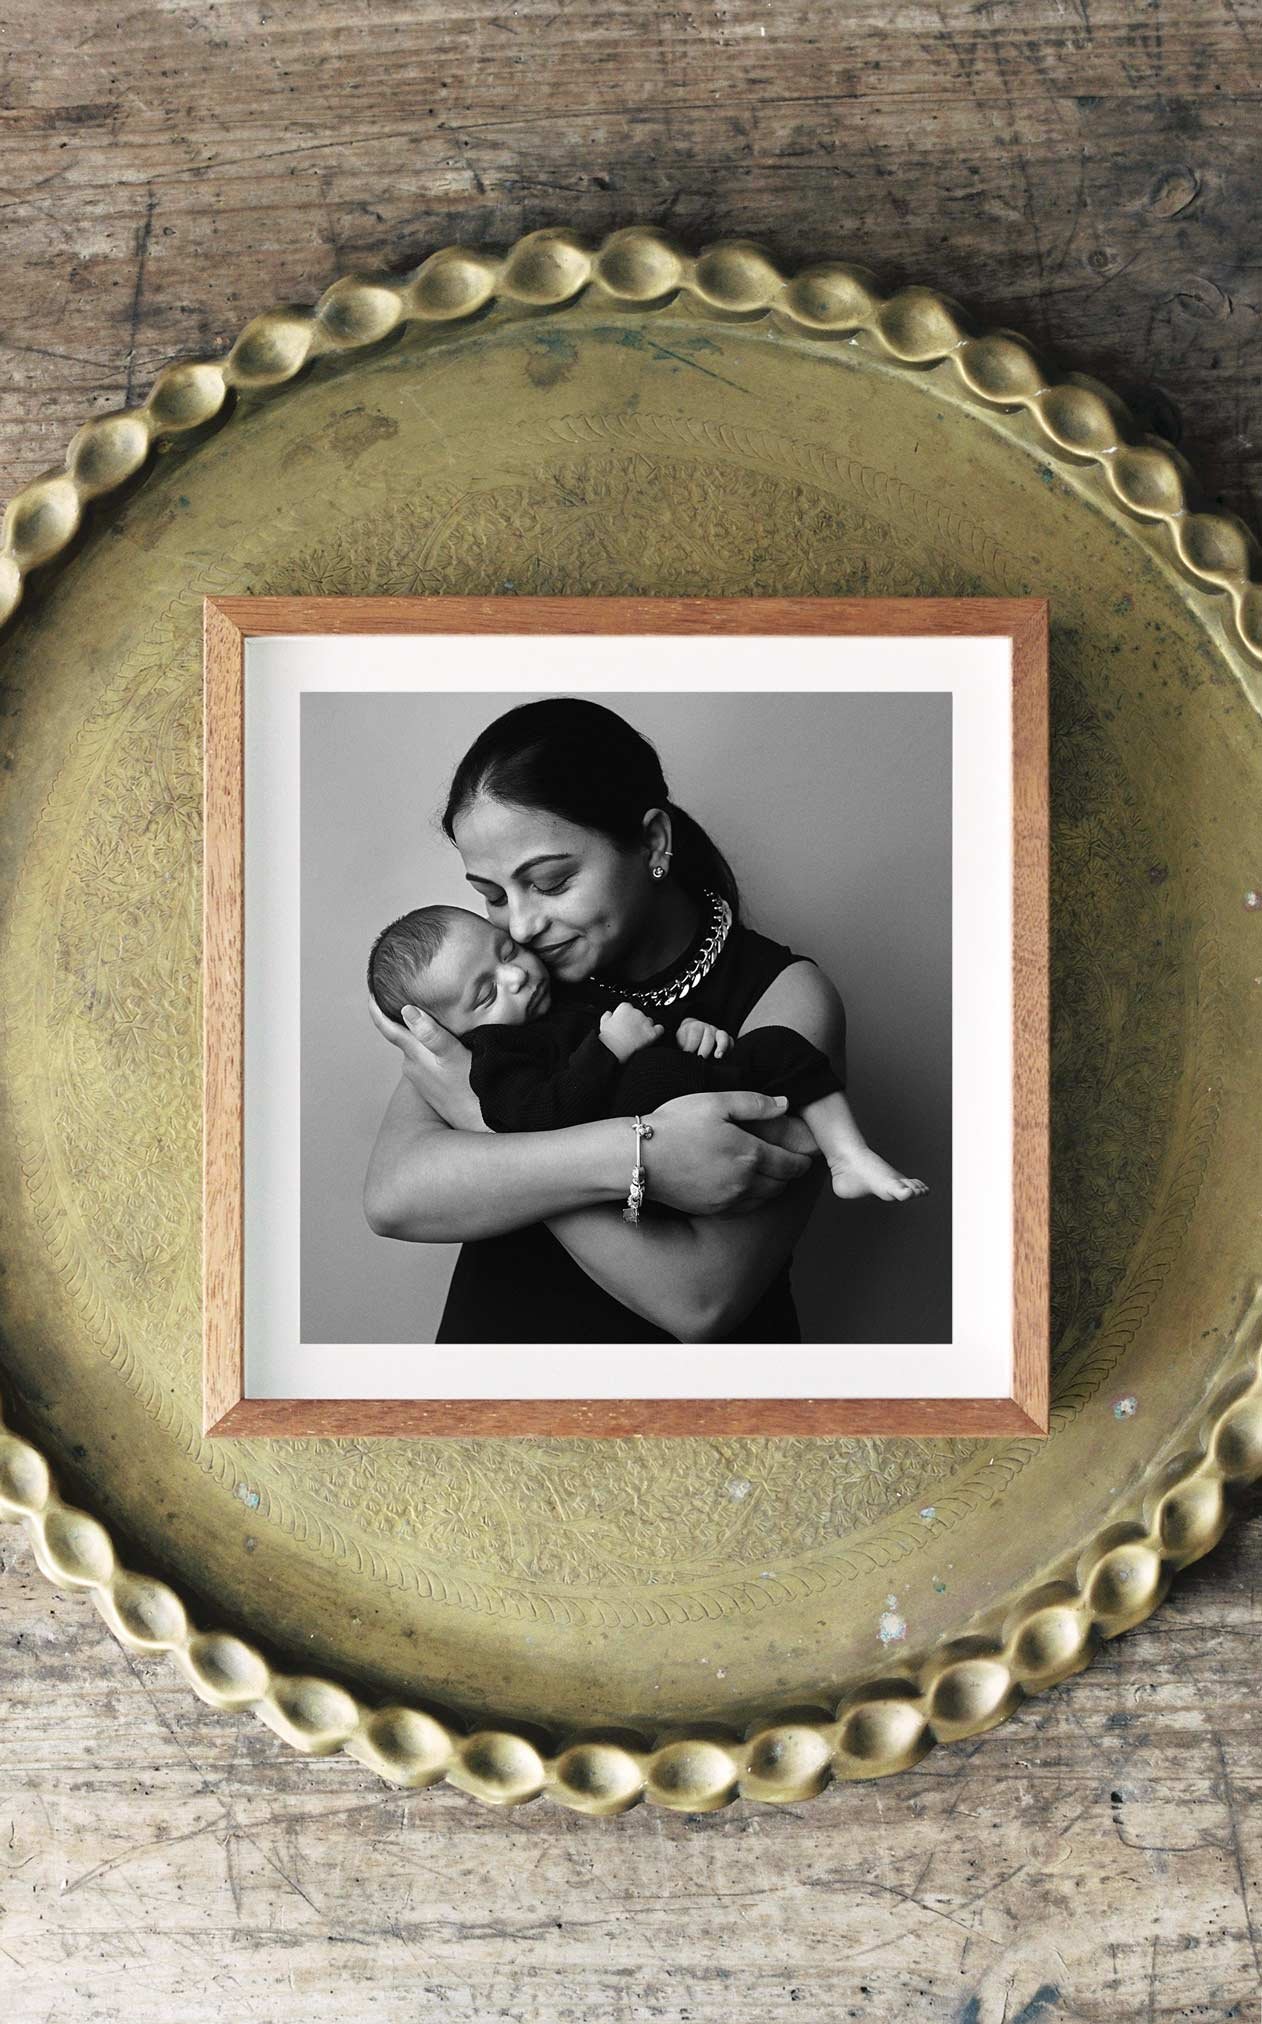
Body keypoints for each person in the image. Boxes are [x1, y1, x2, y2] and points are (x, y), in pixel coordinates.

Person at [363, 697, 919, 1344]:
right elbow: (394, 1196)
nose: (519, 926)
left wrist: (478, 1116)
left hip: (685, 1424)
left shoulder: (786, 994)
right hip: (489, 1396)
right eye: (491, 895)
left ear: (652, 841)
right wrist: (637, 1153)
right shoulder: (511, 985)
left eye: (547, 882)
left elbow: (699, 1298)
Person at [366, 902, 929, 1205]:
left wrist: (687, 1031)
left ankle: (846, 1152)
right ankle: (787, 1137)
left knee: (783, 1048)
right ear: (449, 1030)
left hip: (674, 1078)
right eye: (487, 993)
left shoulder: (560, 992)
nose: (517, 972)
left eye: (507, 950)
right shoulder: (487, 1056)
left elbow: (640, 1026)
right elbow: (541, 1115)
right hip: (640, 1112)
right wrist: (610, 1049)